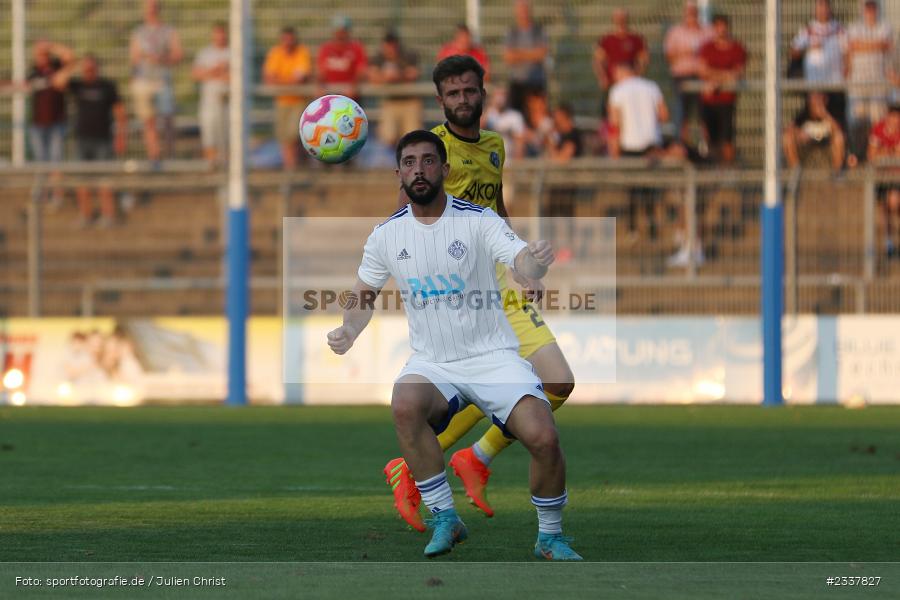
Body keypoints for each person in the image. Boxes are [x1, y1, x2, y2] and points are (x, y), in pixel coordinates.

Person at [330, 129, 581, 561]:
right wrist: (350, 329)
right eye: (409, 163)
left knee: (543, 438)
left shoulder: (477, 221)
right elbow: (362, 294)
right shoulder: (385, 236)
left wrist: (534, 262)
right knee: (404, 404)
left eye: (428, 161)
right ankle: (446, 517)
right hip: (433, 363)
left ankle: (550, 537)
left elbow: (519, 257)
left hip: (494, 357)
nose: (419, 170)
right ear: (398, 174)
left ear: (445, 169)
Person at [383, 55, 576, 535]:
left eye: (470, 91)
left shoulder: (494, 145)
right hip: (464, 292)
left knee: (558, 383)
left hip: (500, 283)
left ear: (483, 93)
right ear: (441, 100)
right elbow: (408, 211)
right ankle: (438, 463)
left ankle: (475, 456)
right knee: (539, 379)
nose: (463, 100)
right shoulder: (434, 150)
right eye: (453, 93)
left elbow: (499, 208)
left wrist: (523, 266)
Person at [64, 55, 127, 227]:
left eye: (91, 68)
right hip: (82, 140)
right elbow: (58, 82)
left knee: (105, 180)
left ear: (97, 68)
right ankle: (86, 215)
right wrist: (73, 65)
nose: (88, 72)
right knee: (81, 181)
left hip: (103, 140)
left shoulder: (108, 86)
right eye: (86, 69)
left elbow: (120, 112)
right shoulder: (77, 86)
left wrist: (121, 137)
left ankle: (108, 215)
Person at [129, 0, 183, 162]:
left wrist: (162, 58)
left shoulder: (168, 31)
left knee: (167, 117)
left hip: (162, 80)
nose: (151, 9)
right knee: (148, 120)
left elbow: (178, 54)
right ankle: (154, 155)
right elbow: (134, 58)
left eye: (154, 5)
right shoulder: (138, 32)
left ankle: (170, 154)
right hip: (144, 80)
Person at [26, 39, 74, 206]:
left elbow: (70, 56)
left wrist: (51, 46)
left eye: (44, 54)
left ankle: (57, 196)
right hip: (38, 125)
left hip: (56, 123)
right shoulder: (33, 72)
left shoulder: (56, 67)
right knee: (41, 161)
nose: (41, 57)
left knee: (56, 161)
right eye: (39, 54)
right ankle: (43, 194)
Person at [846, 0, 893, 163]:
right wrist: (876, 45)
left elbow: (886, 44)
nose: (870, 11)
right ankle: (856, 155)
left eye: (873, 7)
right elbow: (852, 46)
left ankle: (872, 158)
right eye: (868, 8)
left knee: (877, 120)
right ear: (863, 10)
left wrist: (862, 45)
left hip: (878, 81)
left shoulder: (884, 26)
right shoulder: (854, 27)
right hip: (858, 81)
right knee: (855, 120)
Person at [790, 0, 847, 132]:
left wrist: (846, 70)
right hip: (814, 87)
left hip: (835, 86)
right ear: (815, 10)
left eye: (825, 6)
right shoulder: (808, 30)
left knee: (836, 125)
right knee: (812, 122)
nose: (823, 10)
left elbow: (847, 52)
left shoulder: (839, 29)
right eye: (820, 7)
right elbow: (793, 52)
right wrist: (808, 48)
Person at [698, 14, 746, 165]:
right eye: (718, 26)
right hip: (708, 101)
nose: (721, 29)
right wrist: (724, 76)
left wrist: (716, 80)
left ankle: (728, 177)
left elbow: (737, 74)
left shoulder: (737, 48)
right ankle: (713, 172)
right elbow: (702, 71)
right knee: (710, 139)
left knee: (727, 140)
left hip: (726, 101)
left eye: (723, 26)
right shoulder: (707, 48)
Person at [664, 1, 713, 147]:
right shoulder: (675, 32)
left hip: (703, 77)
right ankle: (680, 144)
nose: (691, 14)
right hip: (682, 76)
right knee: (681, 111)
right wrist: (687, 54)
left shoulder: (707, 31)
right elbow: (670, 56)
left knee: (704, 113)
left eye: (694, 11)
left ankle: (705, 146)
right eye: (689, 11)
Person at [262, 26, 312, 170]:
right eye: (285, 40)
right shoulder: (275, 53)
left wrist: (280, 81)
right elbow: (269, 78)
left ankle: (294, 167)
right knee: (284, 138)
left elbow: (300, 79)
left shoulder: (302, 52)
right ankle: (290, 168)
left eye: (291, 40)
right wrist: (288, 81)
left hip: (298, 102)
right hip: (282, 102)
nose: (288, 43)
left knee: (293, 135)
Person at [368, 31, 421, 147]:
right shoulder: (379, 57)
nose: (390, 49)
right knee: (388, 137)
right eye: (387, 45)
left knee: (412, 139)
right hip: (390, 101)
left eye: (392, 45)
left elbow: (413, 74)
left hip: (409, 102)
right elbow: (373, 77)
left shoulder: (408, 55)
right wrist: (386, 77)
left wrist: (398, 75)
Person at [593, 8, 648, 113]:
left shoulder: (635, 39)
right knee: (609, 111)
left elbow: (643, 60)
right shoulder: (607, 39)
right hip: (612, 83)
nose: (620, 20)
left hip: (630, 84)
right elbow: (598, 60)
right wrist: (602, 77)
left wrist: (637, 75)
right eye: (618, 18)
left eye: (622, 17)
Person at [192, 21, 230, 166]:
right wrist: (214, 71)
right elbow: (196, 73)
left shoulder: (233, 51)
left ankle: (227, 167)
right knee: (209, 135)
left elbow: (236, 76)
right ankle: (212, 165)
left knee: (228, 136)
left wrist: (223, 73)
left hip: (227, 102)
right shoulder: (205, 53)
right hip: (209, 102)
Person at [504, 0, 549, 114]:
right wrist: (531, 53)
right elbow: (508, 57)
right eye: (520, 10)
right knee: (515, 117)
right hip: (517, 83)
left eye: (525, 10)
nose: (523, 13)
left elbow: (542, 54)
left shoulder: (539, 31)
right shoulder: (512, 32)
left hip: (536, 83)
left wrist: (518, 54)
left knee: (536, 117)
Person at [783, 92, 846, 173]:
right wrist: (799, 133)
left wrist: (824, 114)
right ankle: (796, 171)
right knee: (787, 137)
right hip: (807, 146)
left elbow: (838, 130)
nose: (816, 103)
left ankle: (837, 173)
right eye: (813, 99)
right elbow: (789, 128)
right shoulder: (803, 116)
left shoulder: (831, 115)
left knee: (839, 137)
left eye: (819, 99)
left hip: (827, 146)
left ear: (825, 100)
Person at [868, 103, 900, 255]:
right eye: (893, 116)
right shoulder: (878, 129)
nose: (895, 121)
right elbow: (872, 156)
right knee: (885, 209)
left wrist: (886, 153)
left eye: (897, 117)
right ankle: (889, 245)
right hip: (881, 177)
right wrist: (891, 151)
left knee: (893, 201)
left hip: (897, 177)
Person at [316, 15, 368, 100]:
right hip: (330, 96)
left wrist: (354, 86)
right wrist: (320, 87)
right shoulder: (326, 49)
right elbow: (321, 73)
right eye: (338, 31)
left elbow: (361, 71)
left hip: (350, 97)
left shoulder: (356, 48)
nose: (340, 35)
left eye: (343, 31)